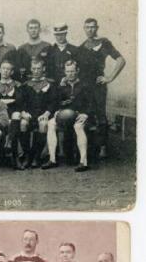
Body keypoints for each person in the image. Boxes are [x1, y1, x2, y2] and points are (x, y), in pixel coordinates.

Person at [79, 18, 126, 159]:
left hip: (98, 85)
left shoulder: (104, 42)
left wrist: (109, 78)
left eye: (93, 27)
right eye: (87, 27)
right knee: (86, 114)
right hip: (84, 86)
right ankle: (89, 147)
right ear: (84, 28)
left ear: (97, 28)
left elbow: (121, 60)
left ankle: (103, 147)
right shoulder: (81, 47)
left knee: (100, 114)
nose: (90, 30)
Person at [42, 60, 91, 172]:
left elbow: (92, 103)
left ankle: (84, 162)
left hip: (80, 114)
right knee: (51, 124)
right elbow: (55, 101)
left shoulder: (85, 85)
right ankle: (52, 159)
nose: (70, 74)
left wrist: (86, 114)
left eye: (73, 71)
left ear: (77, 71)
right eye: (68, 71)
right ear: (64, 72)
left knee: (78, 127)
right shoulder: (61, 86)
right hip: (65, 114)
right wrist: (56, 110)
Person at [19, 58, 57, 168]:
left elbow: (54, 101)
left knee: (43, 124)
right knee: (23, 124)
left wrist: (46, 114)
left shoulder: (50, 84)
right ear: (31, 69)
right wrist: (23, 112)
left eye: (38, 68)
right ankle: (27, 155)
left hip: (44, 114)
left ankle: (36, 155)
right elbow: (21, 101)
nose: (36, 71)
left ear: (43, 69)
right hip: (29, 114)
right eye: (34, 69)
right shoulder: (26, 85)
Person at [0, 60, 26, 170]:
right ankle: (11, 156)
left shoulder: (17, 84)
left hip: (14, 111)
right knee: (11, 122)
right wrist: (7, 101)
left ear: (12, 72)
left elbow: (20, 100)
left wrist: (3, 101)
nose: (5, 71)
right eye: (3, 68)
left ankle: (10, 144)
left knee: (16, 116)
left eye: (8, 69)